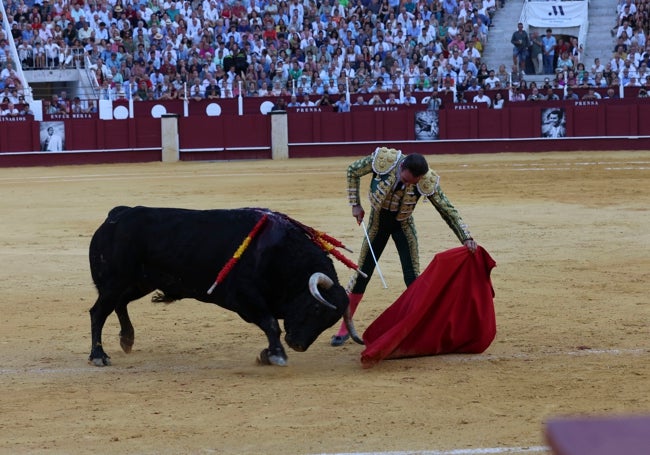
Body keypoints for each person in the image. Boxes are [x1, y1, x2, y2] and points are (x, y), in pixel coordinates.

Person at [329, 148, 477, 346]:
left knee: (412, 277)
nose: (406, 184)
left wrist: (466, 237)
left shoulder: (426, 180)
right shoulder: (384, 161)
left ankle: (418, 325)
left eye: (412, 183)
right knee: (362, 273)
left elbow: (446, 209)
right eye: (405, 179)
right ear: (401, 167)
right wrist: (355, 204)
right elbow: (352, 171)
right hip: (377, 224)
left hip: (403, 226)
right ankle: (345, 327)